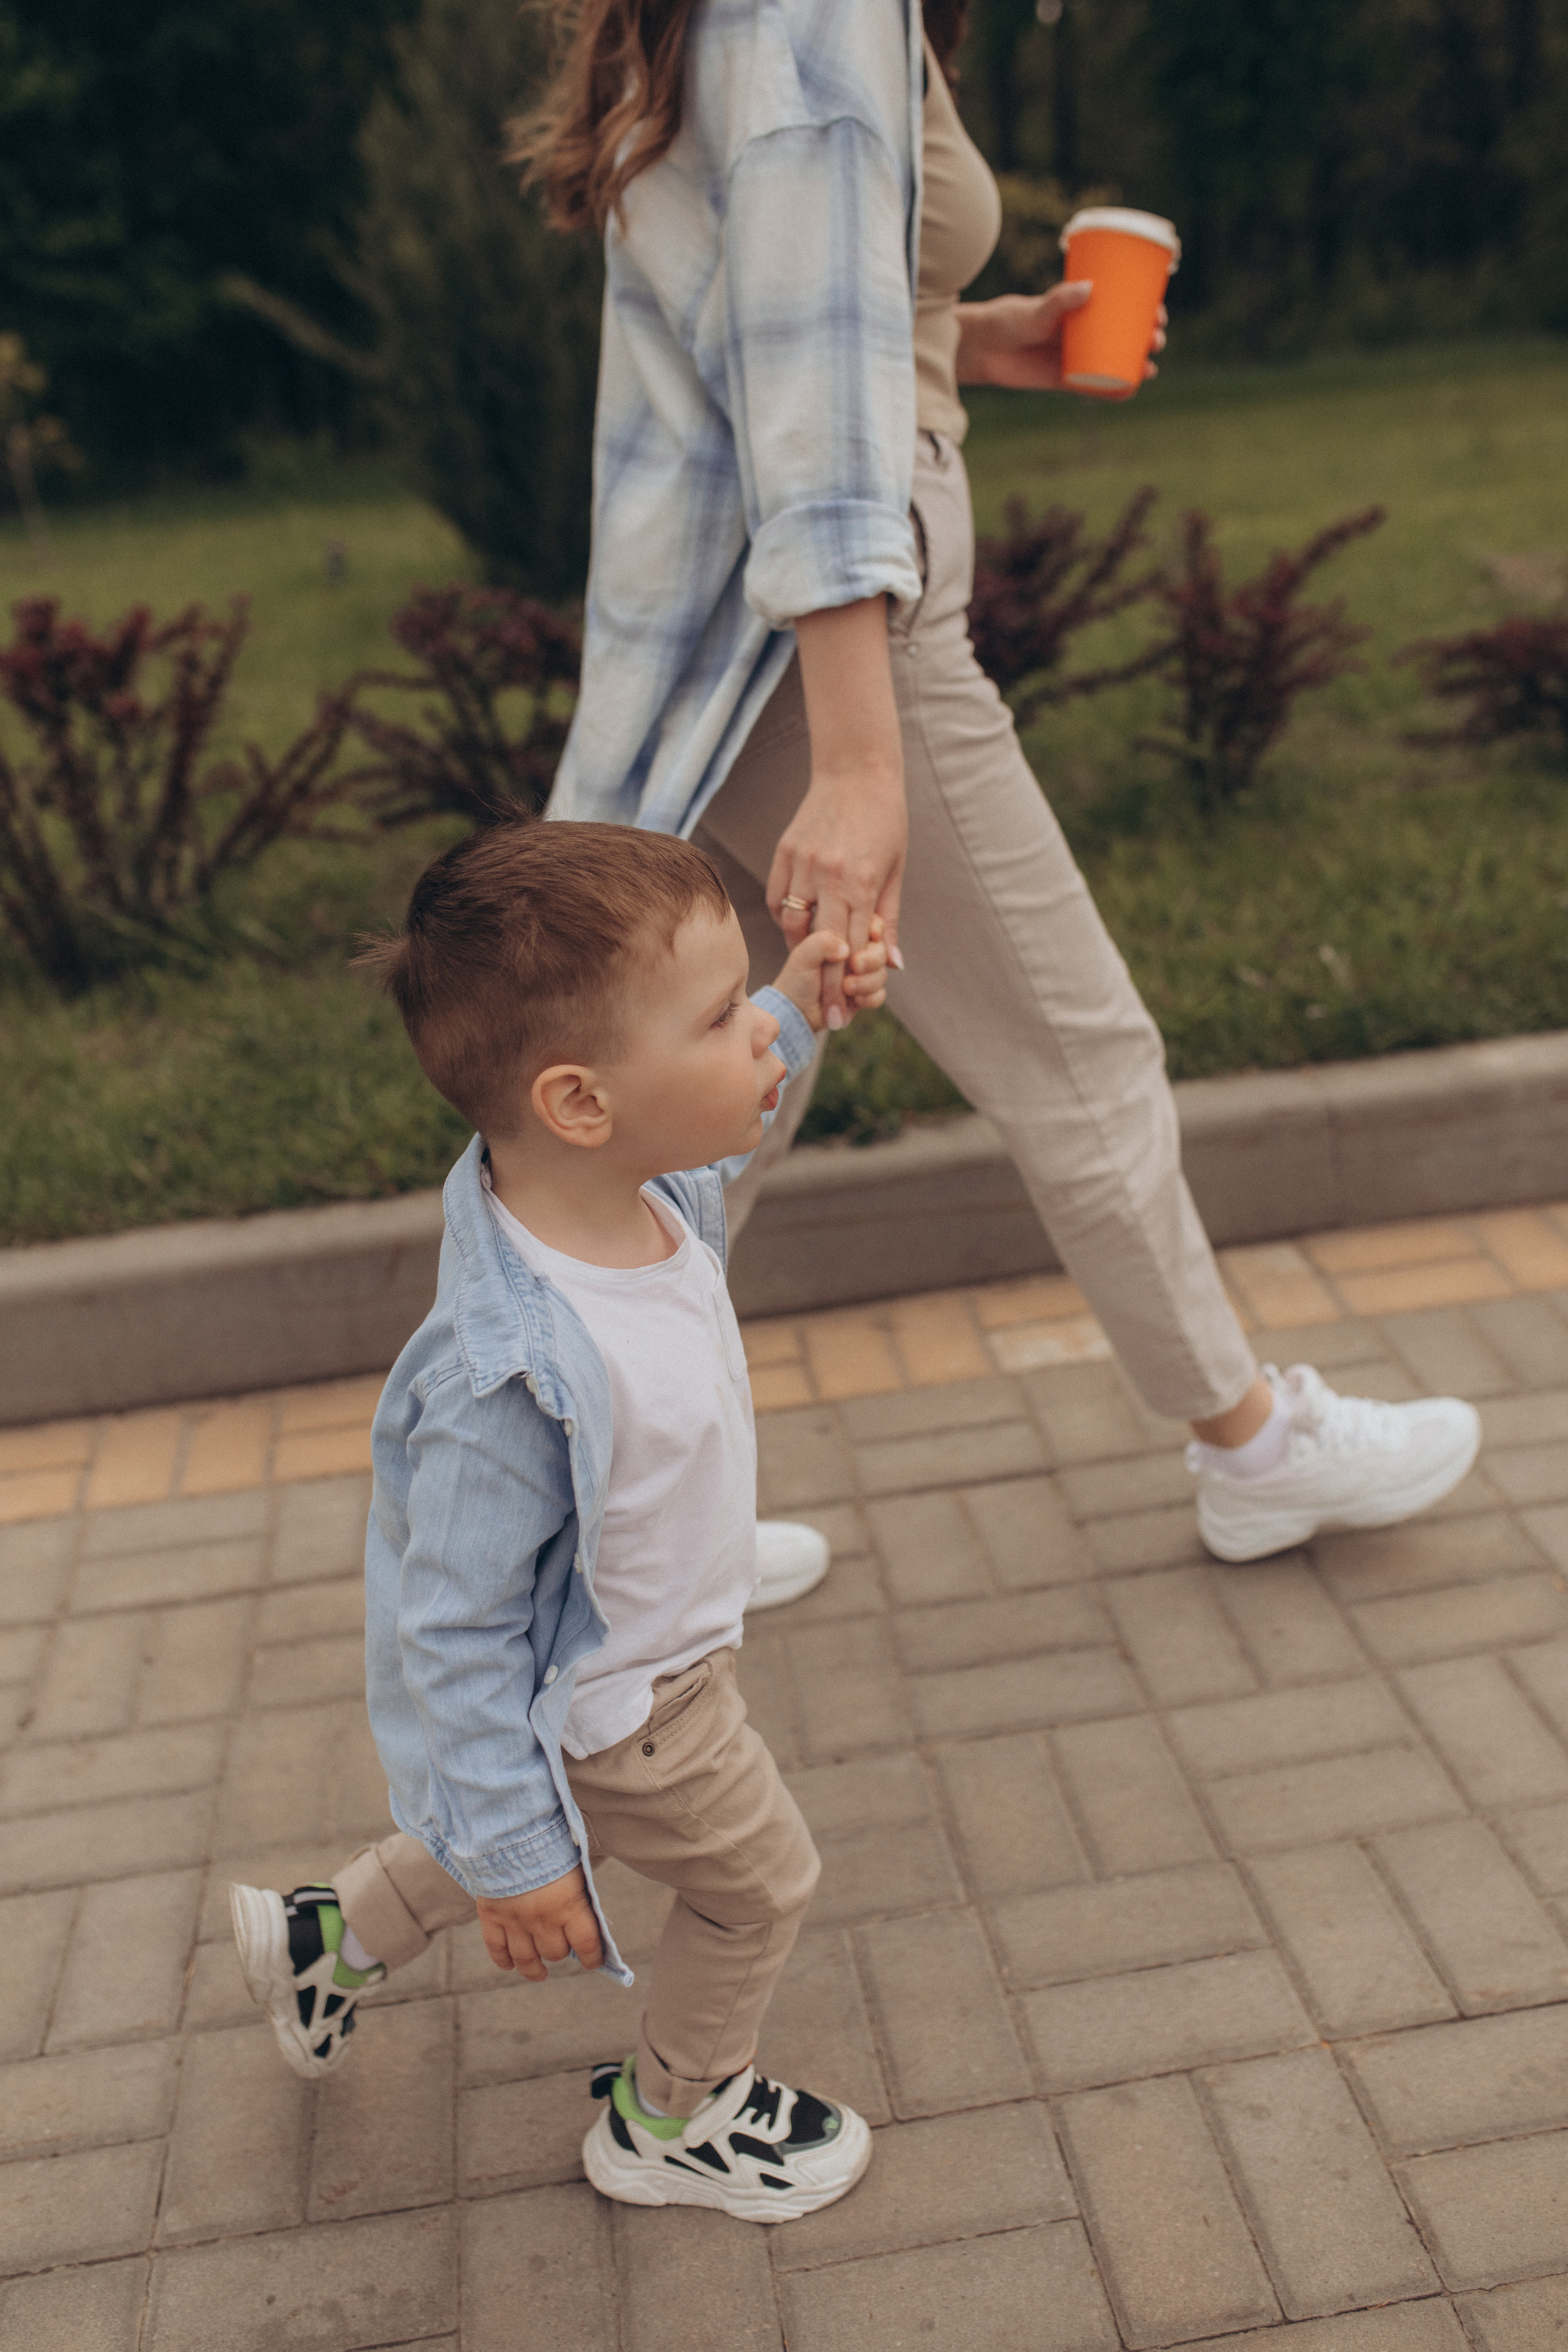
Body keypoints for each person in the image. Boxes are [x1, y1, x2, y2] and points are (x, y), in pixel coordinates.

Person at [526, 0, 1480, 1562]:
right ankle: (1248, 1442)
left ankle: (606, 1532)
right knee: (1074, 1048)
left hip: (722, 636)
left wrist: (979, 336)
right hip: (833, 637)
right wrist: (857, 759)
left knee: (710, 1107)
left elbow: (770, 302)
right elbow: (816, 411)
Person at [231, 820, 888, 2222]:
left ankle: (323, 1937)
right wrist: (528, 1873)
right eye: (720, 1019)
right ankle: (678, 2111)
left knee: (531, 1800)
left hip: (606, 1683)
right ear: (583, 1101)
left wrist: (801, 997)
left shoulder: (639, 1193)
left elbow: (728, 1080)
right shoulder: (511, 1373)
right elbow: (454, 1631)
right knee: (760, 1887)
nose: (754, 1039)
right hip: (639, 1703)